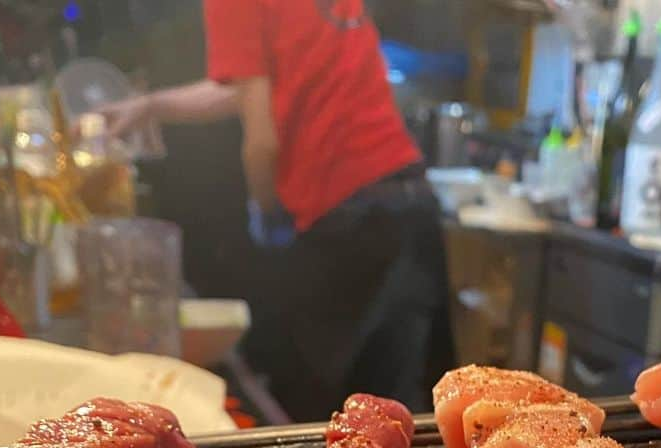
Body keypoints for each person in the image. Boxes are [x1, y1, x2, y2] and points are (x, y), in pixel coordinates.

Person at [103, 0, 453, 421]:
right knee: (424, 416)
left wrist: (265, 208)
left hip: (347, 223)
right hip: (410, 201)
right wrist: (150, 107)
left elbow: (262, 137)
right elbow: (250, 87)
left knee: (341, 421)